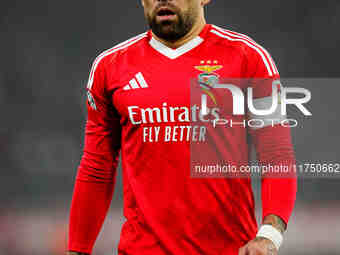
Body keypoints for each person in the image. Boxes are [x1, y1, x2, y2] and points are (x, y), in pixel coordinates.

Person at [67, 0, 297, 254]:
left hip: (230, 249)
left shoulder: (249, 58)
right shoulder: (109, 67)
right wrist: (78, 249)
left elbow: (277, 155)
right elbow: (97, 166)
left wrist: (269, 235)